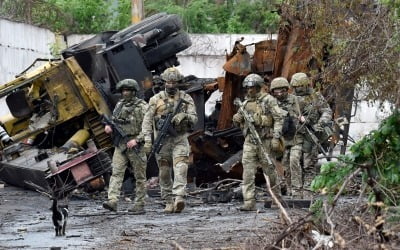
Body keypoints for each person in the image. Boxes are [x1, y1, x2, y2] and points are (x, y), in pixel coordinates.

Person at [142, 67, 198, 213]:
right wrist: (148, 141)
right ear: (164, 83)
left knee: (181, 167)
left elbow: (194, 119)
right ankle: (168, 200)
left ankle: (179, 197)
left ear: (178, 82)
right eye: (168, 82)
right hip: (162, 142)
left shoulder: (186, 98)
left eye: (174, 82)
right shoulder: (155, 100)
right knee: (164, 172)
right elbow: (147, 121)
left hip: (179, 139)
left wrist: (184, 116)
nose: (171, 85)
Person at [232, 73, 286, 211]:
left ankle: (276, 198)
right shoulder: (244, 103)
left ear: (258, 87)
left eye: (253, 88)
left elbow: (279, 119)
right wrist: (237, 119)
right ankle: (249, 201)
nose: (250, 90)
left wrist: (275, 137)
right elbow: (239, 122)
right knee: (248, 172)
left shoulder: (268, 100)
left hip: (265, 140)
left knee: (270, 170)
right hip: (250, 141)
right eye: (248, 88)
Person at [103, 79, 148, 214]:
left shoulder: (142, 107)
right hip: (121, 145)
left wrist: (137, 140)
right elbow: (113, 120)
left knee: (139, 176)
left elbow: (149, 128)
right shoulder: (120, 105)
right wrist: (108, 126)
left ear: (134, 92)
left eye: (128, 90)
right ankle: (112, 201)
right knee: (116, 172)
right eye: (123, 91)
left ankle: (139, 204)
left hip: (136, 146)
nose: (125, 93)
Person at [290, 72, 332, 190]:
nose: (298, 89)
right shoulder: (291, 99)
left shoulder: (315, 96)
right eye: (296, 87)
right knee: (294, 162)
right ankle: (295, 189)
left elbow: (327, 111)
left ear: (306, 85)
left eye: (300, 86)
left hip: (312, 133)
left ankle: (309, 189)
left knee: (309, 164)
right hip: (296, 134)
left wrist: (320, 124)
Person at [270, 77, 304, 198]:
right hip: (281, 139)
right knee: (285, 165)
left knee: (294, 160)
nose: (279, 94)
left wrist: (301, 118)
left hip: (295, 137)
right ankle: (289, 189)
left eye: (282, 91)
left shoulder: (295, 99)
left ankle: (297, 190)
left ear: (286, 90)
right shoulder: (271, 102)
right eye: (276, 91)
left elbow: (300, 113)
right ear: (273, 92)